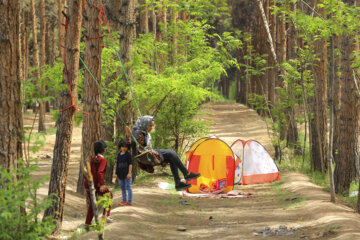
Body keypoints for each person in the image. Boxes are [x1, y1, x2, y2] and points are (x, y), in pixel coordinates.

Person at [131, 115, 200, 191]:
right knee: (172, 153)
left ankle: (178, 183)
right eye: (149, 126)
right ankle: (187, 174)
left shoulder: (143, 132)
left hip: (148, 154)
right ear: (144, 125)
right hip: (146, 156)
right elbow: (139, 149)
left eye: (152, 126)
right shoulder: (138, 134)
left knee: (172, 159)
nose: (151, 128)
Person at [84, 140, 113, 229]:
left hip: (88, 183)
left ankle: (87, 223)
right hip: (97, 184)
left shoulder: (92, 159)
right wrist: (102, 184)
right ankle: (105, 216)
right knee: (109, 196)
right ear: (103, 150)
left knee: (93, 204)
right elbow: (100, 172)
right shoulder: (103, 160)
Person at [115, 139, 133, 206]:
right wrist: (116, 173)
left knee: (128, 187)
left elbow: (130, 164)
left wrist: (129, 173)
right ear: (120, 147)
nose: (124, 148)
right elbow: (117, 164)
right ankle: (124, 200)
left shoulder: (128, 155)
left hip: (127, 174)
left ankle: (129, 201)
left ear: (127, 147)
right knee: (122, 188)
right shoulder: (119, 155)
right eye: (122, 147)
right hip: (120, 174)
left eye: (125, 147)